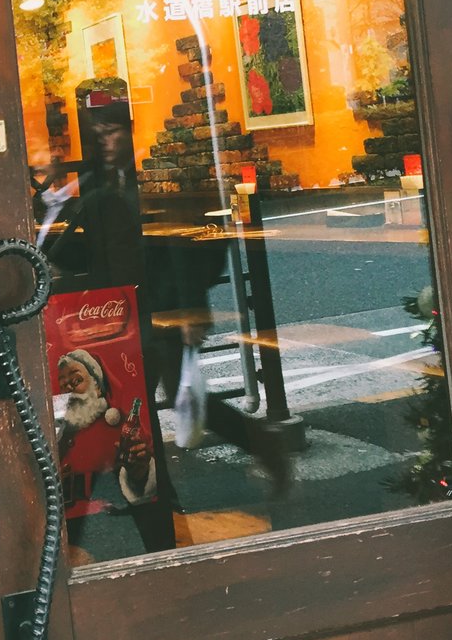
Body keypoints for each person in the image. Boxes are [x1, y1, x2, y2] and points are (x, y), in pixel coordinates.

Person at [42, 88, 290, 555]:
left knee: (111, 420)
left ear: (127, 132)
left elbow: (180, 245)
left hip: (157, 317)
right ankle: (174, 509)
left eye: (113, 131)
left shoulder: (142, 182)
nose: (106, 141)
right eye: (98, 134)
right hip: (129, 321)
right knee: (130, 417)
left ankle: (92, 536)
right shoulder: (99, 187)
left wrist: (189, 310)